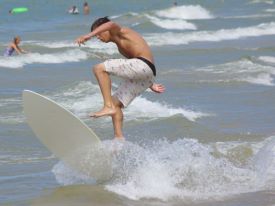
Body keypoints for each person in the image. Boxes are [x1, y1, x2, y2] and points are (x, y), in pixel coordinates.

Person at [75, 17, 165, 140]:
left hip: (144, 65)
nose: (98, 38)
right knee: (115, 104)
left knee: (99, 68)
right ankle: (119, 138)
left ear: (105, 28)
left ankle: (107, 106)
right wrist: (150, 84)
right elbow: (135, 69)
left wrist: (88, 36)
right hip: (147, 73)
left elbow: (110, 24)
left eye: (99, 33)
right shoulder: (120, 46)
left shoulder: (122, 31)